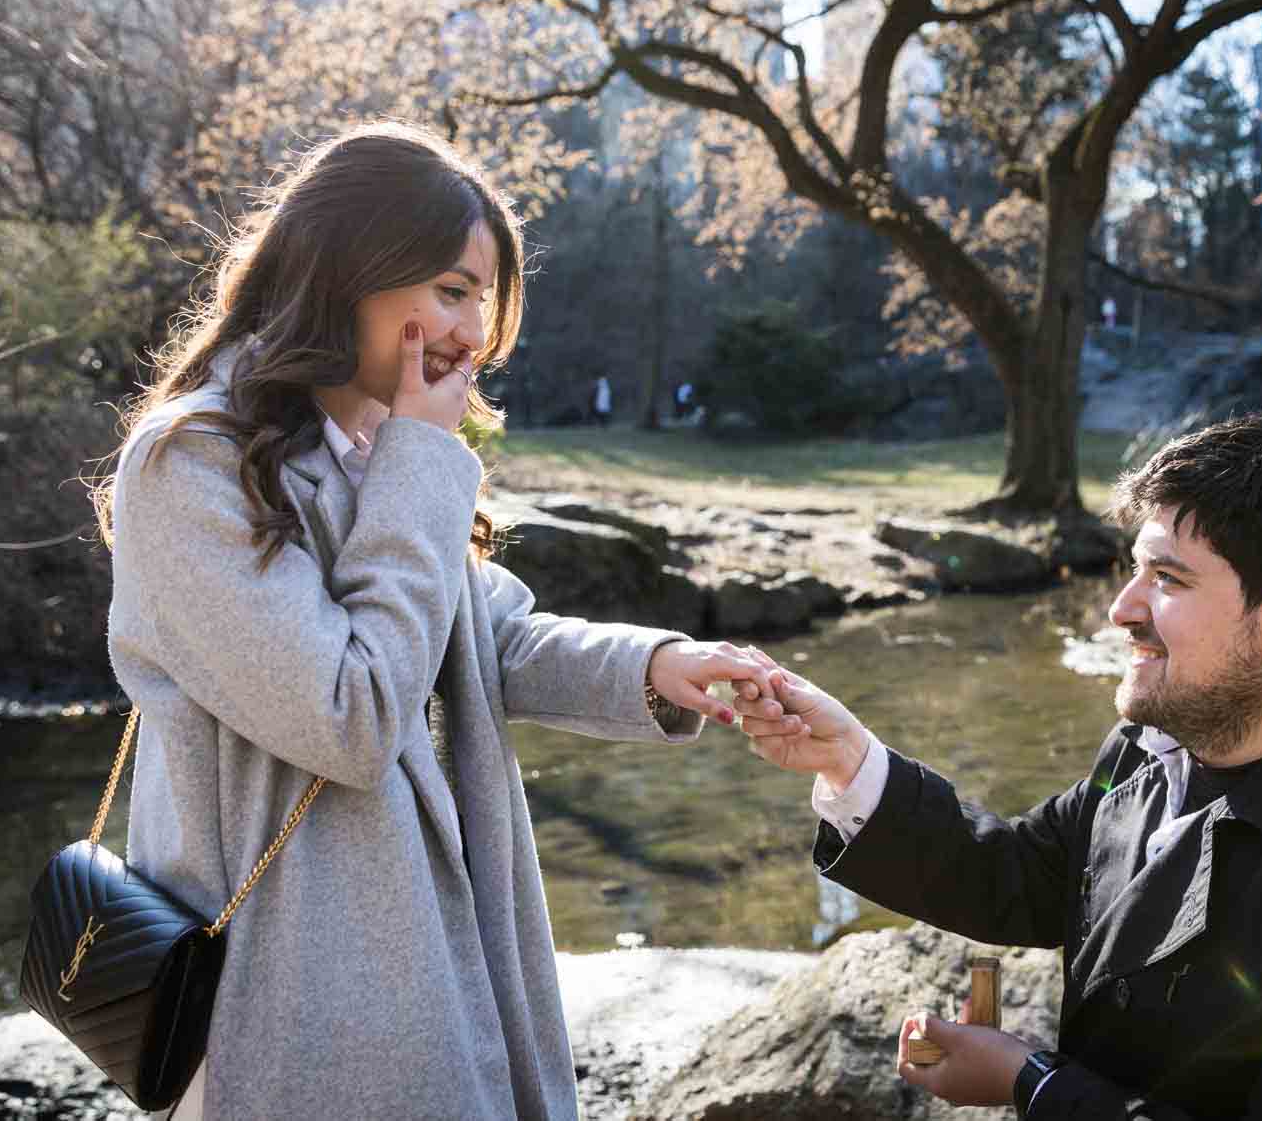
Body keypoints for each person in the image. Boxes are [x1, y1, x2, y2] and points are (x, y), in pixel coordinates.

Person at [94, 121, 778, 1119]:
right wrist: (419, 461)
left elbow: (485, 642)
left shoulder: (377, 448)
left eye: (484, 298)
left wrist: (660, 663)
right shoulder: (188, 465)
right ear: (348, 270)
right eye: (451, 290)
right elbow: (350, 716)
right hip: (293, 993)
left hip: (439, 945)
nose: (473, 332)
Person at [733, 415, 1262, 1119]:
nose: (1121, 608)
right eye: (1135, 569)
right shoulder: (1148, 746)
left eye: (1168, 579)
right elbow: (1020, 875)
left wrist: (1028, 1081)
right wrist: (849, 761)